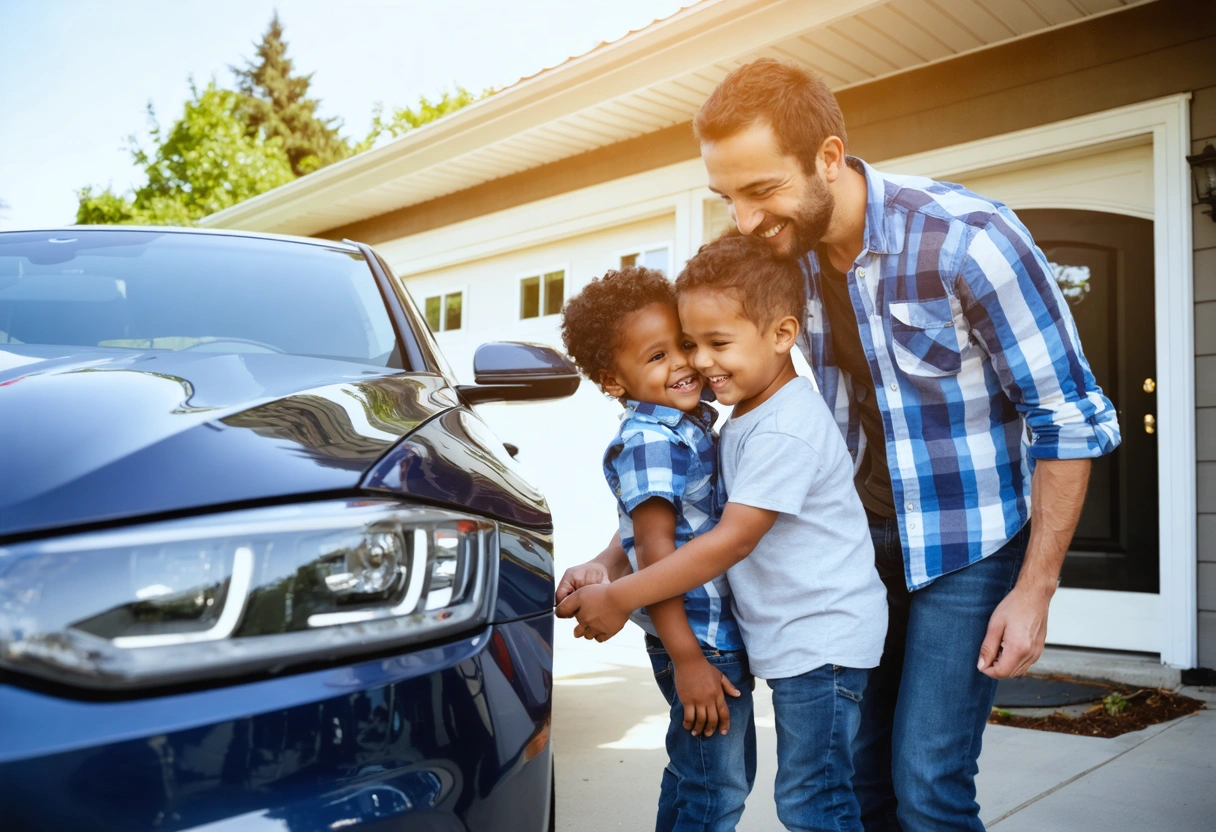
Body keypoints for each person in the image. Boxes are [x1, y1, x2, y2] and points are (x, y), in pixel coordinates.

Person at [557, 59, 1121, 832]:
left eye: (762, 190)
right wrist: (614, 556)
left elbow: (1068, 417)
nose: (747, 219)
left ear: (828, 157)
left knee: (928, 782)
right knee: (858, 783)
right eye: (728, 197)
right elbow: (705, 459)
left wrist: (1035, 588)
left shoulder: (968, 241)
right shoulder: (772, 267)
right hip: (853, 553)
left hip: (967, 545)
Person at [559, 235, 888, 832]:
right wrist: (610, 568)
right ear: (615, 378)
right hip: (767, 636)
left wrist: (616, 592)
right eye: (681, 347)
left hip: (819, 639)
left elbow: (730, 538)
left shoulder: (775, 426)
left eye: (710, 344)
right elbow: (662, 531)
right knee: (718, 785)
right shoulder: (711, 422)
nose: (696, 362)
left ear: (782, 335)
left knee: (808, 797)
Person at [559, 266, 756, 832]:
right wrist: (689, 659)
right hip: (697, 640)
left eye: (684, 346)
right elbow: (654, 553)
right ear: (611, 379)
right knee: (715, 793)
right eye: (655, 356)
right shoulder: (651, 439)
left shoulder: (683, 425)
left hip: (705, 636)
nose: (682, 364)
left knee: (698, 777)